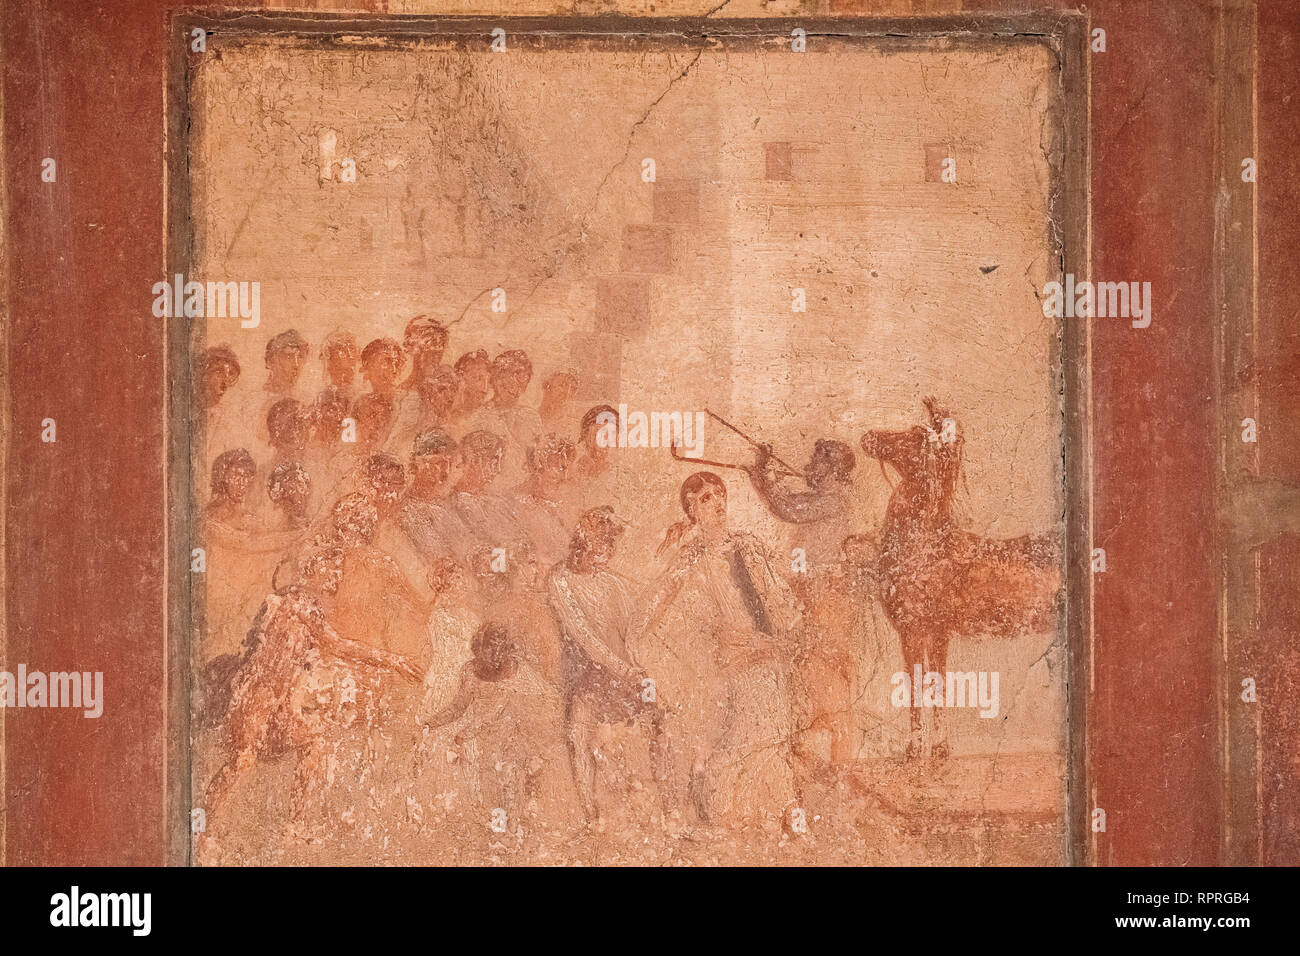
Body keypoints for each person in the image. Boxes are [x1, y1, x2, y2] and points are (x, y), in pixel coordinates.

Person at [198, 551, 422, 862]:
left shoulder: (304, 607)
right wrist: (392, 660)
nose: (335, 579)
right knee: (242, 759)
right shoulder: (296, 603)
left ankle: (294, 824)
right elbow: (338, 646)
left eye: (337, 573)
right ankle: (201, 831)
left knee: (313, 744)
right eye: (330, 571)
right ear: (312, 570)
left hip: (280, 704)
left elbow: (323, 653)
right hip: (257, 695)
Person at [633, 473, 800, 832]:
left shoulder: (748, 544)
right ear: (692, 510)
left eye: (719, 494)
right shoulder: (691, 556)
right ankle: (775, 814)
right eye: (706, 498)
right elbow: (656, 595)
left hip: (767, 653)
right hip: (734, 659)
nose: (717, 502)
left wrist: (781, 638)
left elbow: (780, 592)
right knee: (749, 739)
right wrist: (636, 639)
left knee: (773, 740)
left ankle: (791, 816)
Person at [745, 438, 866, 770]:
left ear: (833, 470)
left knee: (824, 675)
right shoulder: (825, 498)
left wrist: (761, 476)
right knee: (804, 672)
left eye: (820, 463)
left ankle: (839, 768)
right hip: (809, 593)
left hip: (823, 597)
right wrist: (764, 477)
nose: (812, 467)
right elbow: (788, 503)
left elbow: (788, 509)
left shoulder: (835, 502)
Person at [547, 507, 670, 823]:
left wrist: (640, 668)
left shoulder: (615, 583)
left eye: (611, 547)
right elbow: (584, 635)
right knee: (579, 739)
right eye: (600, 545)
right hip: (587, 673)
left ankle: (666, 806)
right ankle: (592, 817)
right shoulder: (560, 579)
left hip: (625, 673)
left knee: (660, 721)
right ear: (583, 542)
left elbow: (636, 631)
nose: (606, 553)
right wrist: (625, 670)